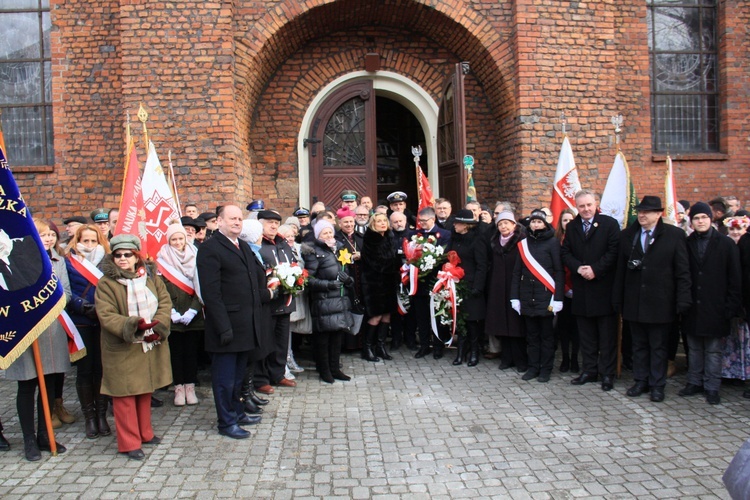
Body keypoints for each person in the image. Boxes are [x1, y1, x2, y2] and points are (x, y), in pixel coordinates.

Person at [94, 234, 172, 460]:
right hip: (123, 345)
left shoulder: (150, 277)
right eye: (118, 255)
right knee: (124, 395)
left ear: (136, 256)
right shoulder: (106, 283)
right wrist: (133, 325)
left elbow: (164, 302)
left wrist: (159, 324)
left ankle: (145, 433)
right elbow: (106, 315)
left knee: (144, 390)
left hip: (149, 342)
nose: (122, 259)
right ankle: (129, 442)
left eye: (127, 254)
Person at [197, 205, 269, 439]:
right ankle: (226, 422)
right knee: (224, 380)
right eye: (232, 219)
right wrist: (223, 327)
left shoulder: (244, 246)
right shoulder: (210, 249)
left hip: (246, 325)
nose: (237, 222)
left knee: (238, 377)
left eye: (240, 219)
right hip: (226, 326)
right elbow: (211, 293)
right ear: (219, 221)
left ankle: (238, 412)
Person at [614, 196, 692, 403]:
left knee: (658, 346)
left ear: (658, 214)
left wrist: (682, 299)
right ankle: (640, 380)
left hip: (661, 302)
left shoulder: (674, 235)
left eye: (647, 212)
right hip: (635, 301)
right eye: (640, 211)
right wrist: (618, 299)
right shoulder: (627, 236)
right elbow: (620, 271)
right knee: (638, 345)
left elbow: (682, 271)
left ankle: (657, 385)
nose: (642, 215)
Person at [5, 219, 72, 461]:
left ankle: (45, 434)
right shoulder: (15, 263)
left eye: (51, 235)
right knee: (27, 384)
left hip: (52, 328)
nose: (49, 239)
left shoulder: (59, 261)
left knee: (51, 382)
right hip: (27, 330)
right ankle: (29, 439)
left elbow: (66, 291)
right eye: (42, 235)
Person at [679, 203, 742, 405]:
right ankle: (694, 381)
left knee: (713, 349)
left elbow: (735, 277)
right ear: (692, 221)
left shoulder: (725, 244)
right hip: (692, 305)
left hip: (716, 305)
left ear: (710, 219)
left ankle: (712, 386)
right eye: (696, 218)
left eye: (704, 217)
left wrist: (731, 305)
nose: (700, 221)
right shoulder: (687, 243)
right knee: (694, 348)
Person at [560, 190, 621, 392]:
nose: (585, 209)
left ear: (596, 204)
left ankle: (607, 374)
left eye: (589, 205)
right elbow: (565, 251)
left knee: (607, 337)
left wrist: (595, 269)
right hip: (582, 290)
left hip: (603, 289)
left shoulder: (610, 224)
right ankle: (589, 370)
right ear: (576, 207)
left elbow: (613, 252)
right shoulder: (573, 227)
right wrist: (578, 267)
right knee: (586, 336)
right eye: (581, 206)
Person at [65, 223, 111, 439]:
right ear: (78, 241)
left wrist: (102, 308)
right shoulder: (69, 261)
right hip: (80, 319)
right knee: (85, 370)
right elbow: (64, 289)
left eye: (94, 240)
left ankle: (102, 415)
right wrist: (82, 306)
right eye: (86, 241)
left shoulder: (107, 259)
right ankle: (89, 417)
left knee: (101, 368)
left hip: (103, 319)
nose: (90, 245)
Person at [510, 209, 564, 383]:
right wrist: (515, 297)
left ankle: (546, 369)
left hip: (546, 297)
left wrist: (558, 298)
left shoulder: (553, 243)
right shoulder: (523, 244)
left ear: (545, 224)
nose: (535, 224)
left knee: (547, 337)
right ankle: (533, 367)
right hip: (527, 296)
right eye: (533, 222)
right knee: (531, 336)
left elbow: (558, 271)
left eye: (539, 222)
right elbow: (517, 272)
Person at [301, 219, 354, 383]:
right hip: (323, 301)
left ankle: (335, 368)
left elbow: (347, 272)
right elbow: (308, 279)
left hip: (340, 301)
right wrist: (328, 285)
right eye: (325, 233)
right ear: (318, 235)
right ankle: (324, 370)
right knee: (323, 340)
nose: (329, 235)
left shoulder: (340, 248)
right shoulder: (313, 252)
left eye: (330, 232)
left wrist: (349, 280)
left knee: (337, 337)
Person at [156, 223, 203, 406]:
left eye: (180, 238)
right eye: (173, 239)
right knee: (175, 353)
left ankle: (190, 387)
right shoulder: (162, 259)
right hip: (172, 315)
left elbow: (201, 288)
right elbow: (160, 290)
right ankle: (178, 388)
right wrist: (171, 312)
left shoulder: (195, 256)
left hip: (194, 314)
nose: (177, 242)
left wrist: (193, 310)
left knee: (191, 352)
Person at [254, 210, 298, 394]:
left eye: (276, 223)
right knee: (265, 342)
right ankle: (261, 378)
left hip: (285, 300)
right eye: (269, 222)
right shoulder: (258, 245)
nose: (273, 226)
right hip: (268, 303)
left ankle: (278, 374)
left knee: (281, 342)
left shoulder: (282, 243)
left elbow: (294, 263)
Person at [446, 209, 488, 366]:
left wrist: (478, 287)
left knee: (472, 321)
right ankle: (461, 351)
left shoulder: (477, 241)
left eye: (457, 223)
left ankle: (474, 352)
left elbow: (482, 266)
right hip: (456, 284)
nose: (454, 225)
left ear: (466, 225)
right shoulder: (454, 239)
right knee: (460, 319)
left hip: (471, 285)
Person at [360, 212, 401, 362]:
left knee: (387, 315)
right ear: (373, 224)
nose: (383, 223)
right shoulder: (370, 239)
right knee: (375, 315)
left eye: (385, 220)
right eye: (379, 221)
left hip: (389, 282)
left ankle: (380, 346)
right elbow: (376, 263)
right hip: (374, 283)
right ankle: (367, 348)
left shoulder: (390, 237)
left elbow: (394, 257)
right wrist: (395, 266)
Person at [413, 207, 451, 359]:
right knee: (421, 315)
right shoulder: (415, 235)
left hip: (436, 281)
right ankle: (424, 345)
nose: (421, 224)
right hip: (419, 281)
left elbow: (446, 254)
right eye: (420, 221)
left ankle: (438, 345)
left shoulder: (445, 235)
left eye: (424, 221)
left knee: (437, 314)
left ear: (432, 220)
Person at [554, 208, 580, 373]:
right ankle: (564, 358)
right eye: (564, 220)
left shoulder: (579, 240)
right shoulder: (556, 241)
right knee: (563, 328)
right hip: (562, 289)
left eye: (571, 220)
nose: (567, 223)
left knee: (576, 328)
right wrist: (564, 288)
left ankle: (575, 359)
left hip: (578, 289)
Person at [389, 211, 417, 350]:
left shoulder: (414, 235)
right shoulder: (388, 236)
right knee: (395, 310)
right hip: (393, 277)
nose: (398, 223)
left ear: (405, 221)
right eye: (395, 221)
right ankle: (396, 338)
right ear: (391, 223)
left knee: (411, 310)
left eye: (400, 221)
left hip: (411, 279)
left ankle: (410, 338)